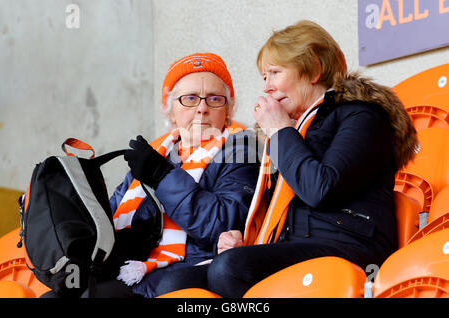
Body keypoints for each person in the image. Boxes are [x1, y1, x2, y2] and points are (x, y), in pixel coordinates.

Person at [160, 20, 418, 298]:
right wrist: (243, 237)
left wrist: (281, 131)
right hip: (295, 245)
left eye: (274, 73)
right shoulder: (295, 129)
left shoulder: (362, 116)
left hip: (351, 247)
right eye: (264, 78)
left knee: (230, 269)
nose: (267, 87)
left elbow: (321, 190)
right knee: (176, 284)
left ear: (314, 71)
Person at [41, 53, 260, 298]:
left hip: (185, 269)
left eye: (215, 99)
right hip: (129, 267)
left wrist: (162, 177)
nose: (202, 108)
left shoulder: (241, 151)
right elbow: (111, 222)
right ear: (170, 111)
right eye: (189, 99)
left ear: (228, 110)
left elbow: (223, 223)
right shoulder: (158, 153)